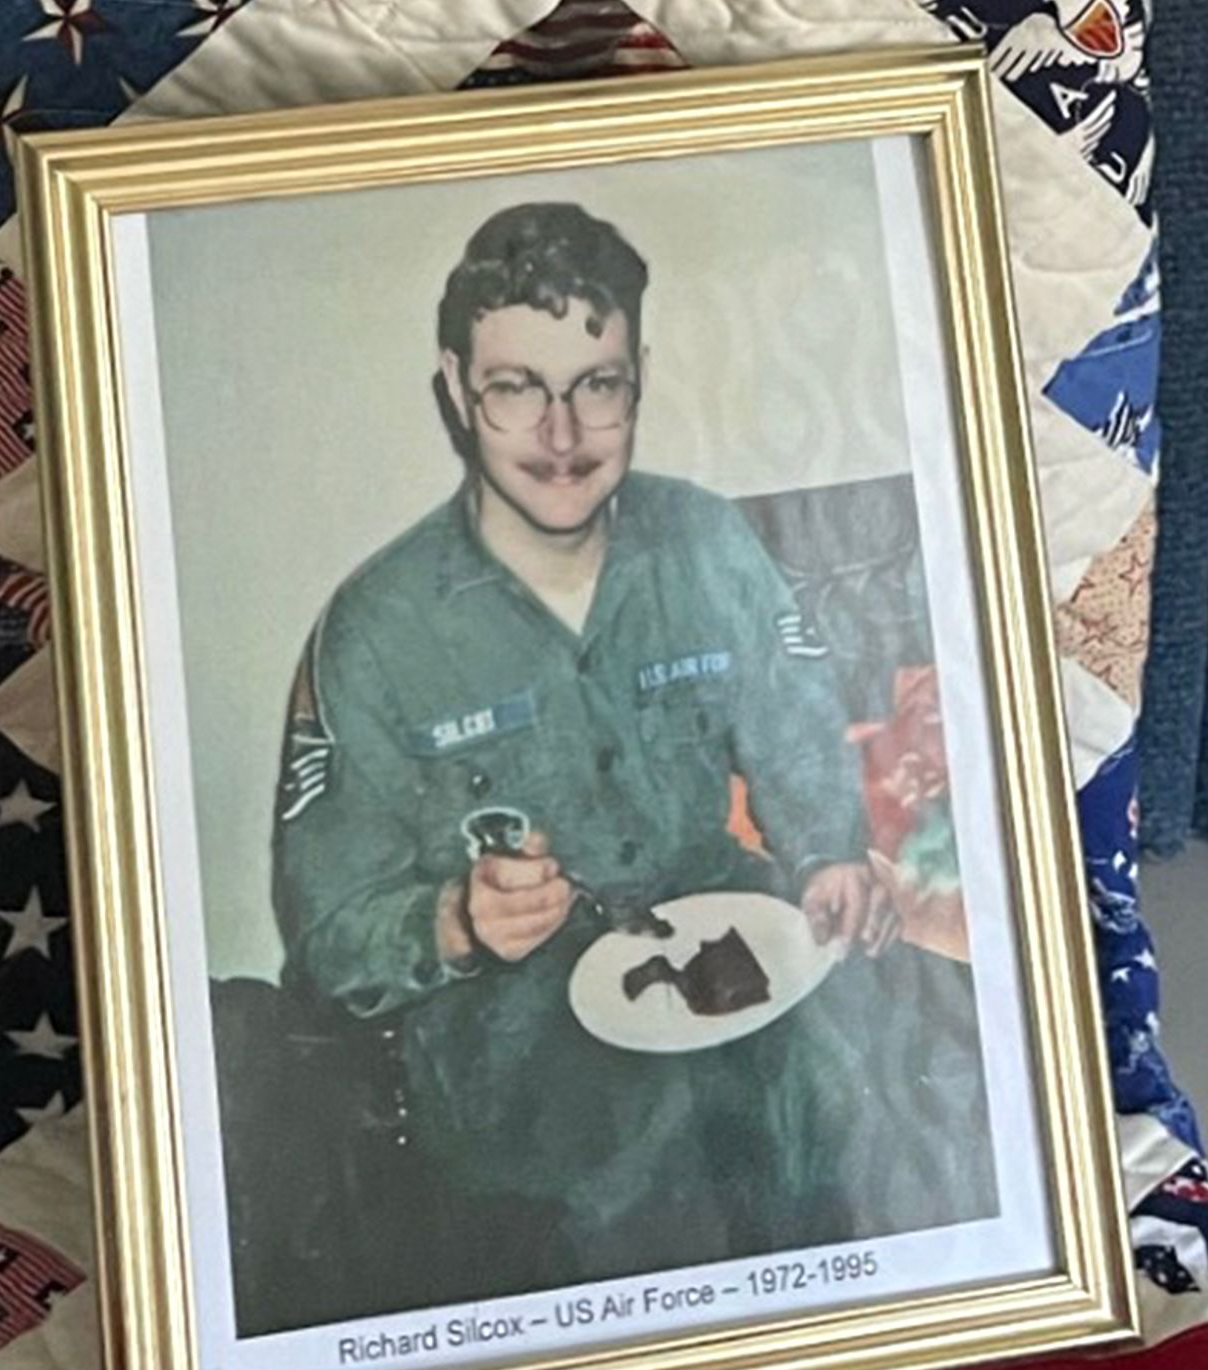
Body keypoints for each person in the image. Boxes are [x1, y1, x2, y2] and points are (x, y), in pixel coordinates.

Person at [267, 195, 978, 1301]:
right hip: (519, 1064)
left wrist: (829, 852)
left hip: (739, 961)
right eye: (517, 388)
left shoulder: (704, 539)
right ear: (456, 390)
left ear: (637, 379)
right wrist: (453, 920)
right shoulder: (375, 627)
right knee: (631, 1237)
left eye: (596, 385)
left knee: (909, 1136)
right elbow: (324, 940)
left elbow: (794, 726)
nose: (564, 435)